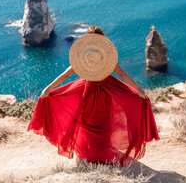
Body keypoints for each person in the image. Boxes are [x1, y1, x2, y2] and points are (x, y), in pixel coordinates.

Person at [27, 26, 160, 167]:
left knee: (87, 124)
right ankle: (98, 154)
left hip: (87, 92)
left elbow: (65, 75)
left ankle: (90, 153)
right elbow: (122, 74)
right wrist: (138, 89)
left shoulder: (84, 58)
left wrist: (48, 88)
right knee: (103, 125)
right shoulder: (107, 58)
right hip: (106, 91)